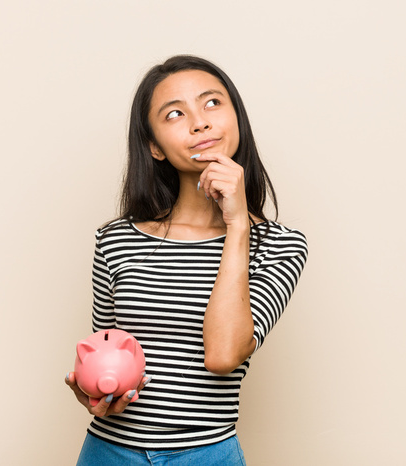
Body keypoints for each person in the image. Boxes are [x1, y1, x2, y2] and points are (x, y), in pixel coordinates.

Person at [65, 55, 308, 465]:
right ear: (155, 147)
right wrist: (96, 393)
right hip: (108, 452)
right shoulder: (116, 239)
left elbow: (223, 356)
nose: (199, 122)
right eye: (175, 114)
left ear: (236, 118)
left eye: (212, 103)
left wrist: (238, 225)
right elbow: (105, 350)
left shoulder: (279, 245)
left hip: (208, 454)